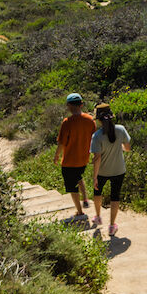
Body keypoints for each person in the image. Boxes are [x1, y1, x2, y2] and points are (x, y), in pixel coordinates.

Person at [54, 93, 96, 221]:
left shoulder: (67, 122)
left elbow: (61, 143)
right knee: (78, 177)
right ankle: (86, 198)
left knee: (72, 187)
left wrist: (56, 156)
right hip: (83, 159)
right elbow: (95, 140)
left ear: (68, 106)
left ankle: (79, 212)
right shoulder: (90, 120)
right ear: (81, 104)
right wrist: (95, 155)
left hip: (69, 161)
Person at [90, 103, 131, 236]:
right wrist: (120, 149)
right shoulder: (121, 129)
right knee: (115, 197)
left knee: (97, 193)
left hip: (102, 171)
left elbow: (97, 158)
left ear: (99, 119)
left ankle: (98, 216)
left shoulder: (97, 136)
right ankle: (112, 226)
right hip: (119, 170)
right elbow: (128, 148)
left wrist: (95, 177)